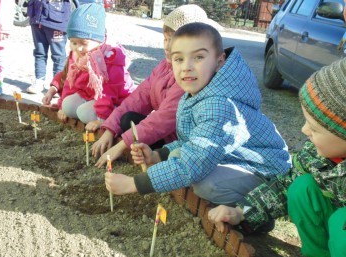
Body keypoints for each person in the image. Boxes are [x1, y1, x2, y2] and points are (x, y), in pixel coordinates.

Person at [105, 23, 291, 213]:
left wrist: (133, 184)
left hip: (266, 172)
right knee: (180, 157)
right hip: (235, 158)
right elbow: (191, 143)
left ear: (219, 62)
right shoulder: (199, 92)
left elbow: (195, 162)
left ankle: (251, 211)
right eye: (179, 59)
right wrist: (156, 155)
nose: (187, 67)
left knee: (205, 184)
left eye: (199, 57)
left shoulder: (219, 106)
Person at [207, 58, 346, 257]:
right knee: (300, 188)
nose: (304, 131)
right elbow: (283, 186)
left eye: (315, 129)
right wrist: (242, 212)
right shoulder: (317, 154)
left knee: (341, 223)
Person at [92, 4, 213, 167]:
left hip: (182, 142)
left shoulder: (189, 76)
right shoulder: (164, 67)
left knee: (136, 129)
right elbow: (137, 99)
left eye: (174, 40)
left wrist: (121, 145)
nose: (167, 46)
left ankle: (157, 160)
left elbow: (163, 119)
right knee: (128, 119)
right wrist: (109, 130)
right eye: (166, 39)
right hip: (168, 135)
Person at [42, 3, 135, 132]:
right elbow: (70, 81)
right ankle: (88, 108)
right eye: (73, 43)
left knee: (84, 114)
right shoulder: (77, 55)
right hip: (89, 94)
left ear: (99, 39)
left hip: (116, 100)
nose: (78, 48)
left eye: (83, 43)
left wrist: (101, 119)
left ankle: (111, 114)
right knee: (67, 105)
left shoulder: (108, 59)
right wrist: (61, 105)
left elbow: (107, 92)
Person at [25, 0, 77, 94]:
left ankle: (58, 86)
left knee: (58, 56)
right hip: (36, 17)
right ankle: (39, 81)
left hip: (57, 20)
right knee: (39, 52)